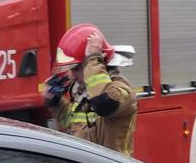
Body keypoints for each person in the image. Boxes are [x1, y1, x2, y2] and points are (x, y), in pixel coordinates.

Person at [44, 23, 137, 156]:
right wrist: (56, 103)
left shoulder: (121, 91)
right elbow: (73, 126)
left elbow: (104, 103)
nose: (72, 75)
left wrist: (92, 58)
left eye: (76, 68)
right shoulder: (81, 92)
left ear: (98, 61)